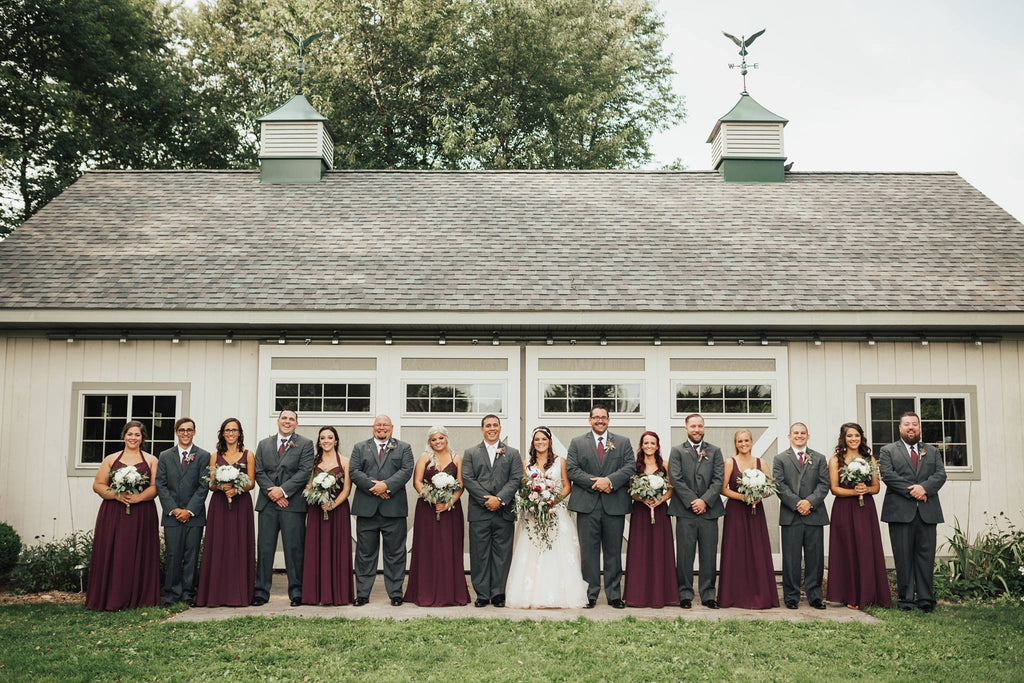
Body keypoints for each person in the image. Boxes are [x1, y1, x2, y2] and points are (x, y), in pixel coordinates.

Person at [506, 426, 589, 608]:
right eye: (537, 439)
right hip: (532, 514)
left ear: (549, 441)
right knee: (532, 552)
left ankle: (561, 594)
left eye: (544, 439)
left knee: (556, 552)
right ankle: (530, 595)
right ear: (533, 442)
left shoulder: (561, 462)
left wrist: (552, 501)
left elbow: (567, 486)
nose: (540, 442)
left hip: (555, 512)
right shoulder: (525, 463)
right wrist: (533, 502)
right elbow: (522, 487)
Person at [85, 420, 160, 611]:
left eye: (137, 434)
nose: (133, 438)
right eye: (130, 434)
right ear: (123, 436)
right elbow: (99, 485)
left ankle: (140, 597)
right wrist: (117, 496)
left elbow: (155, 487)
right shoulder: (111, 458)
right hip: (114, 512)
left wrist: (139, 497)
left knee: (139, 552)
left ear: (142, 438)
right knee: (115, 551)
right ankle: (111, 596)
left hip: (142, 512)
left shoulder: (151, 460)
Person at [566, 405, 635, 609]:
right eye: (595, 417)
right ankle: (590, 594)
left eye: (603, 417)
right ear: (589, 420)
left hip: (614, 504)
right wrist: (595, 482)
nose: (600, 420)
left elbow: (630, 467)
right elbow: (571, 469)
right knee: (589, 553)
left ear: (609, 420)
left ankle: (614, 595)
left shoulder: (622, 442)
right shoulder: (577, 442)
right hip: (587, 505)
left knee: (613, 551)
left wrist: (610, 481)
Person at [879, 412, 946, 612]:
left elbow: (940, 474)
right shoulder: (888, 450)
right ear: (900, 428)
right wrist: (914, 492)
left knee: (926, 557)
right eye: (907, 424)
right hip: (900, 512)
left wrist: (924, 488)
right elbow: (888, 476)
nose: (911, 428)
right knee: (903, 556)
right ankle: (906, 599)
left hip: (927, 512)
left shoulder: (932, 451)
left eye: (914, 425)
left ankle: (926, 599)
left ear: (919, 428)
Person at [349, 414, 414, 606]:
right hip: (366, 509)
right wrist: (375, 487)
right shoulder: (360, 447)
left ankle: (395, 593)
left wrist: (385, 486)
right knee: (364, 553)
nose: (382, 427)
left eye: (386, 424)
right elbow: (354, 471)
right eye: (378, 425)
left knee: (395, 553)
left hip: (393, 509)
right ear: (373, 427)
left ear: (392, 428)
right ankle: (362, 594)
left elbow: (406, 471)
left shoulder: (404, 448)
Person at [253, 409, 315, 607]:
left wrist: (283, 491)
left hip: (292, 504)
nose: (287, 422)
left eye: (292, 419)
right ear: (278, 421)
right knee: (265, 549)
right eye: (284, 418)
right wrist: (273, 493)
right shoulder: (264, 444)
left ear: (296, 423)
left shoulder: (305, 444)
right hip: (268, 504)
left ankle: (297, 592)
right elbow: (259, 471)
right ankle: (261, 592)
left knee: (294, 549)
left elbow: (305, 471)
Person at [403, 426, 470, 606]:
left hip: (450, 510)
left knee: (449, 548)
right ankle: (424, 591)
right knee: (427, 548)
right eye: (434, 439)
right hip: (427, 509)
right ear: (429, 442)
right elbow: (417, 481)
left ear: (446, 438)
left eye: (441, 438)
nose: (438, 442)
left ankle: (450, 593)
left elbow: (461, 485)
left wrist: (448, 502)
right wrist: (432, 499)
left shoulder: (457, 459)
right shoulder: (425, 457)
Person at [827, 422, 891, 609]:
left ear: (861, 437)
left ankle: (868, 594)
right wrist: (854, 493)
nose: (853, 439)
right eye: (849, 436)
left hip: (865, 509)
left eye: (856, 435)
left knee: (865, 548)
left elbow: (877, 487)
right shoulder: (835, 460)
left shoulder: (869, 458)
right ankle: (849, 595)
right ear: (843, 439)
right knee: (846, 549)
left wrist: (867, 489)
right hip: (844, 509)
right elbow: (834, 488)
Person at [461, 414, 522, 608]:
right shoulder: (471, 453)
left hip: (503, 511)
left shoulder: (512, 453)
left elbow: (515, 479)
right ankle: (482, 594)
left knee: (502, 554)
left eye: (495, 425)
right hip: (479, 511)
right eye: (488, 425)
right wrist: (487, 500)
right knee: (479, 553)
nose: (492, 428)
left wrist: (500, 499)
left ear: (500, 428)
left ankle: (498, 593)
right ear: (482, 429)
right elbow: (468, 478)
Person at [195, 418, 256, 607]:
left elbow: (252, 482)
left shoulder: (249, 454)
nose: (230, 433)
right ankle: (216, 593)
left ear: (239, 433)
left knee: (239, 545)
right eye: (227, 430)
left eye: (234, 430)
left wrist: (237, 489)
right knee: (219, 545)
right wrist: (223, 487)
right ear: (222, 433)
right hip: (220, 504)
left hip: (241, 504)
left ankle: (240, 594)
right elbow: (211, 483)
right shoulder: (215, 456)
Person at [667, 414, 725, 609]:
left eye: (700, 426)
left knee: (708, 555)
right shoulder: (677, 451)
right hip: (685, 511)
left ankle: (708, 595)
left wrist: (705, 501)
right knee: (685, 554)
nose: (697, 429)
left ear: (704, 428)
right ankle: (684, 594)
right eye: (693, 426)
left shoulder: (715, 451)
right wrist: (693, 501)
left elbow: (718, 480)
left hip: (709, 511)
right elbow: (675, 479)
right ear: (686, 428)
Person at [718, 429, 779, 609]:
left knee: (756, 550)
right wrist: (743, 497)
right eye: (740, 441)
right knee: (736, 550)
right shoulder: (730, 462)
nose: (743, 444)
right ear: (735, 444)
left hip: (755, 511)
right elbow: (723, 489)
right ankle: (734, 595)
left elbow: (770, 487)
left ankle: (759, 593)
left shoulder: (762, 463)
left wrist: (760, 495)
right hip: (736, 510)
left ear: (752, 442)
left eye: (746, 440)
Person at [773, 422, 830, 610]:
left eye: (803, 433)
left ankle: (815, 596)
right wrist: (797, 503)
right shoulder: (780, 459)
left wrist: (809, 502)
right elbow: (779, 485)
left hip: (814, 514)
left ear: (808, 436)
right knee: (791, 559)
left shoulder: (819, 458)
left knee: (815, 558)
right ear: (789, 436)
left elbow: (824, 484)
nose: (799, 435)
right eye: (795, 433)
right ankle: (791, 597)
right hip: (791, 515)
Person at [155, 417, 210, 606]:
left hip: (194, 516)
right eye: (182, 430)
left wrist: (189, 510)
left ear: (194, 432)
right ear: (176, 432)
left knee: (191, 555)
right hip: (172, 516)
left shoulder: (203, 456)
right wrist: (174, 509)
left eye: (189, 430)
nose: (185, 433)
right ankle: (171, 594)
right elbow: (161, 485)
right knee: (172, 555)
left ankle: (188, 594)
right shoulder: (164, 456)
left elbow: (204, 486)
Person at [301, 426, 354, 606]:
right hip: (317, 510)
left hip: (338, 511)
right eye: (322, 438)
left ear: (336, 440)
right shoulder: (313, 462)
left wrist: (332, 504)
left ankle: (338, 594)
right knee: (317, 549)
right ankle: (315, 594)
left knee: (337, 549)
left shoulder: (345, 461)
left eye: (329, 437)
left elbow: (347, 489)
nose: (326, 441)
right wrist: (318, 496)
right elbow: (308, 486)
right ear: (319, 441)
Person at [623, 430, 676, 608]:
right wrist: (642, 499)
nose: (649, 446)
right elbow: (630, 489)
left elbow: (671, 488)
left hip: (660, 512)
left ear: (657, 446)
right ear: (641, 445)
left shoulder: (665, 465)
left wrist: (660, 500)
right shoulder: (635, 466)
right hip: (640, 512)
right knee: (641, 551)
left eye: (652, 443)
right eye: (646, 443)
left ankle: (663, 594)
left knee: (660, 550)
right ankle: (638, 595)